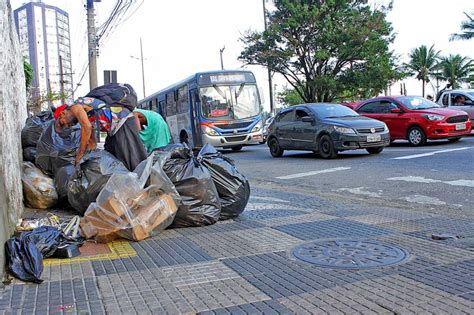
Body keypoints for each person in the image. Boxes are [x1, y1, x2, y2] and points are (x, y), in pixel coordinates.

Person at [56, 83, 147, 171]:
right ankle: (124, 184)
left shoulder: (75, 107)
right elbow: (92, 143)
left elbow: (86, 128)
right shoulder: (87, 116)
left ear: (63, 113)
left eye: (62, 122)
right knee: (112, 158)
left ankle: (144, 184)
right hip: (114, 130)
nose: (66, 126)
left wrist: (80, 154)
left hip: (123, 121)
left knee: (132, 161)